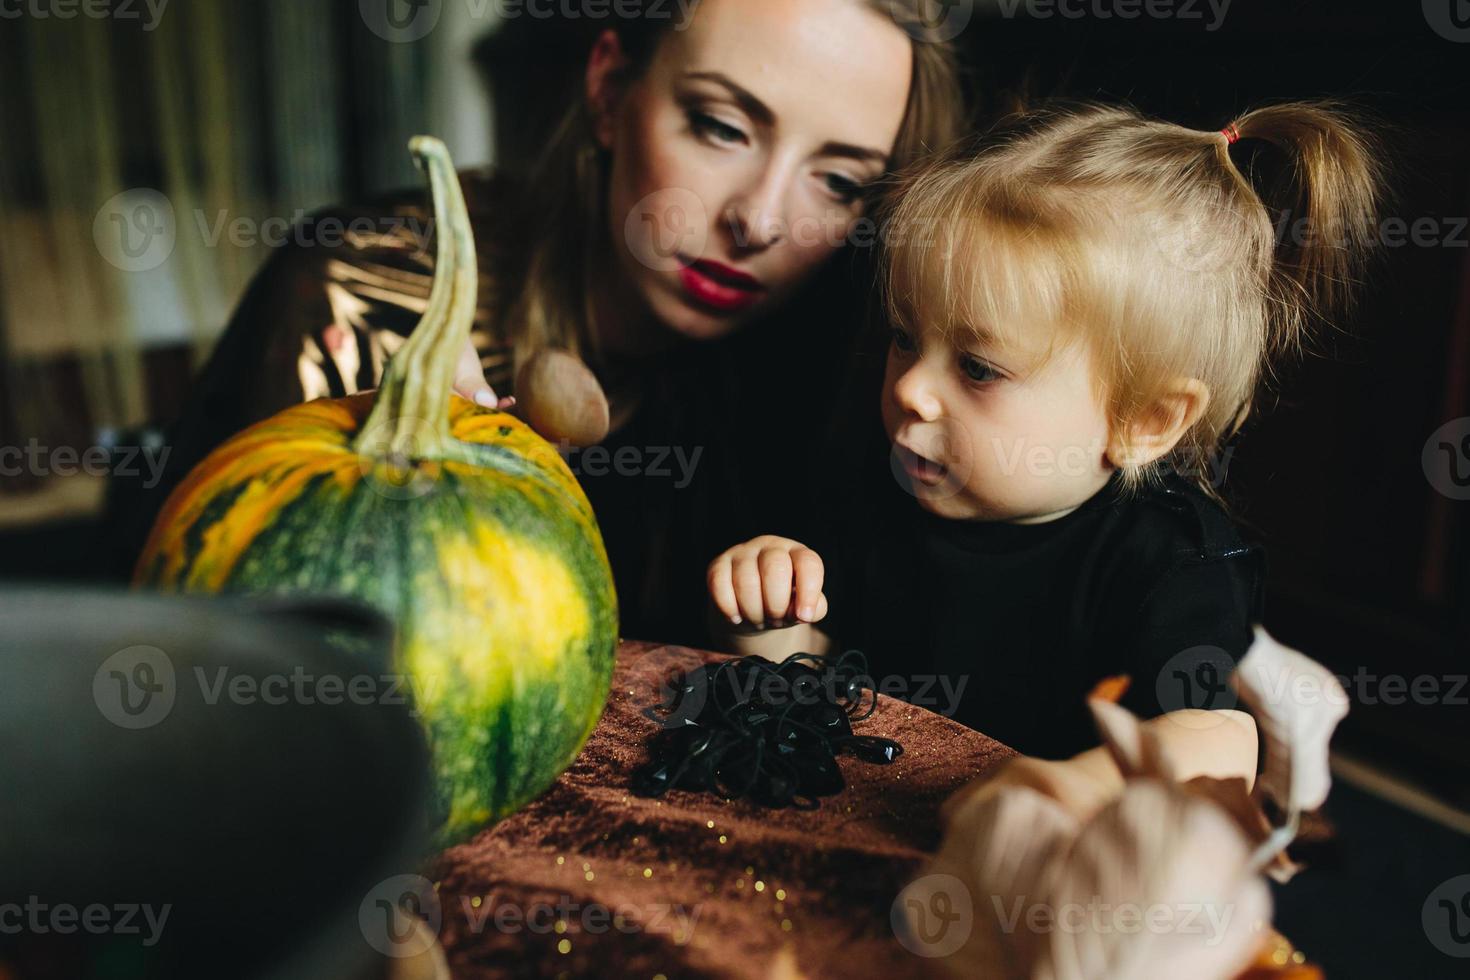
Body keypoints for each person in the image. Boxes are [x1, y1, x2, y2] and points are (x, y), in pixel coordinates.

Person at [106, 0, 971, 647]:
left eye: (840, 181)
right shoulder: (364, 292)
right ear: (606, 89)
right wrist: (382, 467)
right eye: (720, 126)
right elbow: (219, 676)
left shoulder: (858, 367)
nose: (761, 220)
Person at [706, 101, 1382, 756]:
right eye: (905, 337)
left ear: (1143, 421)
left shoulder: (1173, 565)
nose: (911, 388)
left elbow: (1212, 746)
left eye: (977, 368)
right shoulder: (872, 487)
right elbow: (803, 683)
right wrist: (771, 615)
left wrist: (1084, 792)